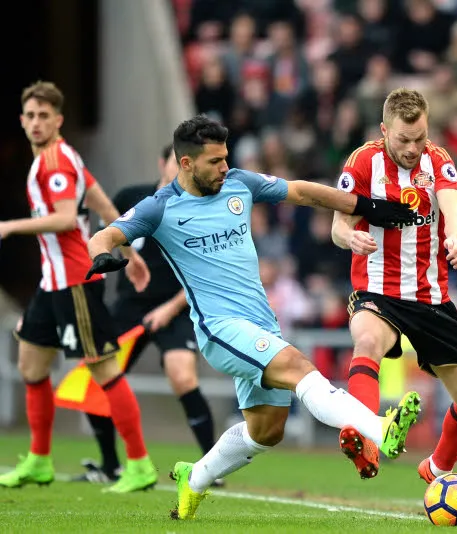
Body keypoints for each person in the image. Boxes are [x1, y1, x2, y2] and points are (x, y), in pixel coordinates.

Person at [86, 114, 422, 520]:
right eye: (215, 161)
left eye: (226, 158)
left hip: (261, 323)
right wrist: (101, 256)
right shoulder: (160, 207)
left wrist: (369, 207)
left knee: (267, 431)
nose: (224, 167)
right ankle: (380, 430)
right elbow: (105, 235)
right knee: (298, 366)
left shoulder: (239, 183)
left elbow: (302, 192)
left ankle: (194, 478)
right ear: (186, 163)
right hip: (220, 329)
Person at [0, 81, 158, 493]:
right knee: (31, 365)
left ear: (58, 120)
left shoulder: (55, 161)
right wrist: (132, 254)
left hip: (75, 281)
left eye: (43, 116)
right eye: (30, 116)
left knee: (103, 369)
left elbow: (68, 217)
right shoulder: (62, 156)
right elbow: (100, 201)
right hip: (52, 283)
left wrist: (10, 226)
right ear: (22, 120)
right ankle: (39, 461)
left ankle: (139, 464)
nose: (36, 122)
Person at [331, 88, 457, 482]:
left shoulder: (439, 161)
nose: (412, 148)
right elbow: (337, 226)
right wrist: (351, 237)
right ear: (385, 130)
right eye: (403, 139)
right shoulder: (363, 162)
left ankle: (436, 468)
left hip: (430, 297)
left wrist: (455, 240)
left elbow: (454, 211)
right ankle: (366, 438)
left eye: (420, 138)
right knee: (367, 342)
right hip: (377, 291)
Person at [73, 144, 219, 486]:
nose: (180, 168)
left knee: (182, 375)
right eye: (175, 161)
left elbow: (205, 272)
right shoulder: (131, 198)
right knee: (95, 372)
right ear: (162, 163)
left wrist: (170, 309)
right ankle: (110, 465)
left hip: (176, 305)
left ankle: (213, 467)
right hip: (130, 305)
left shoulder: (200, 209)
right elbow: (102, 238)